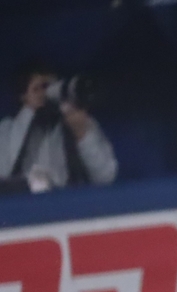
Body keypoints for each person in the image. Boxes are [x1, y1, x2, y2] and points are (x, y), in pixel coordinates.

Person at [0, 61, 118, 194]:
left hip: (68, 205)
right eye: (37, 88)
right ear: (23, 95)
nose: (45, 93)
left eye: (50, 86)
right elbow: (4, 172)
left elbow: (106, 176)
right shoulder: (7, 128)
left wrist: (82, 135)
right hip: (21, 206)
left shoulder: (79, 121)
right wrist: (29, 112)